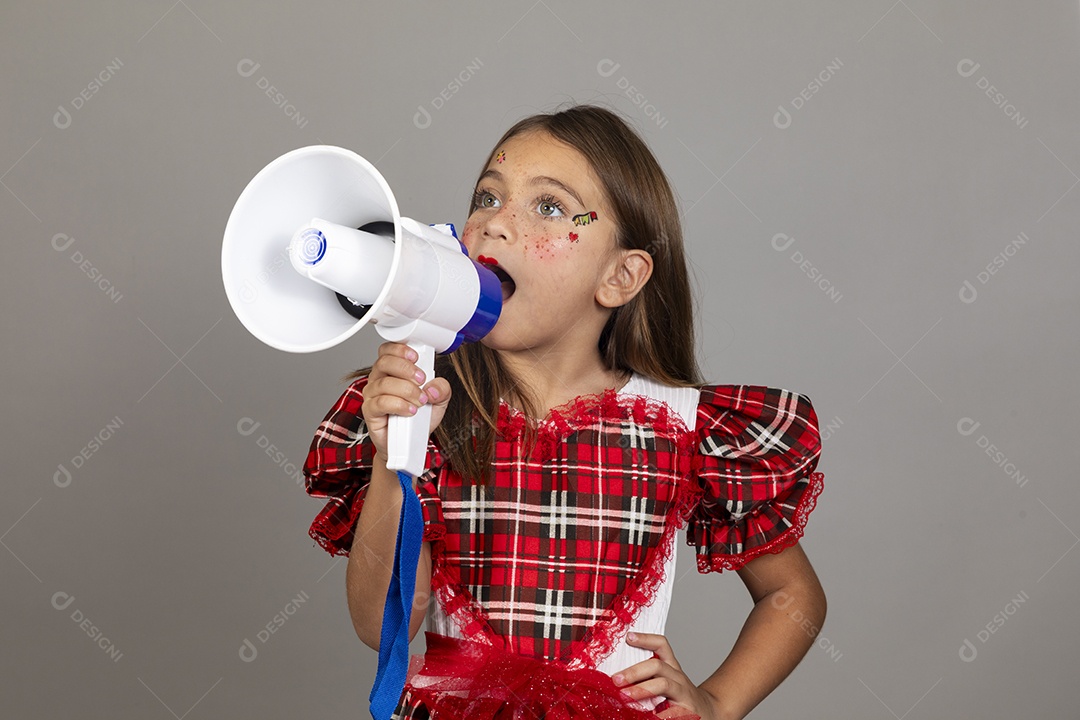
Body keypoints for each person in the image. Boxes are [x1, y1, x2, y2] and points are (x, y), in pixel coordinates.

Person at [302, 105, 826, 720]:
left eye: (548, 207)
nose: (496, 224)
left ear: (620, 276)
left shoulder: (685, 428)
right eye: (486, 197)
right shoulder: (431, 408)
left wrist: (715, 703)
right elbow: (379, 626)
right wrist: (396, 462)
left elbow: (793, 596)